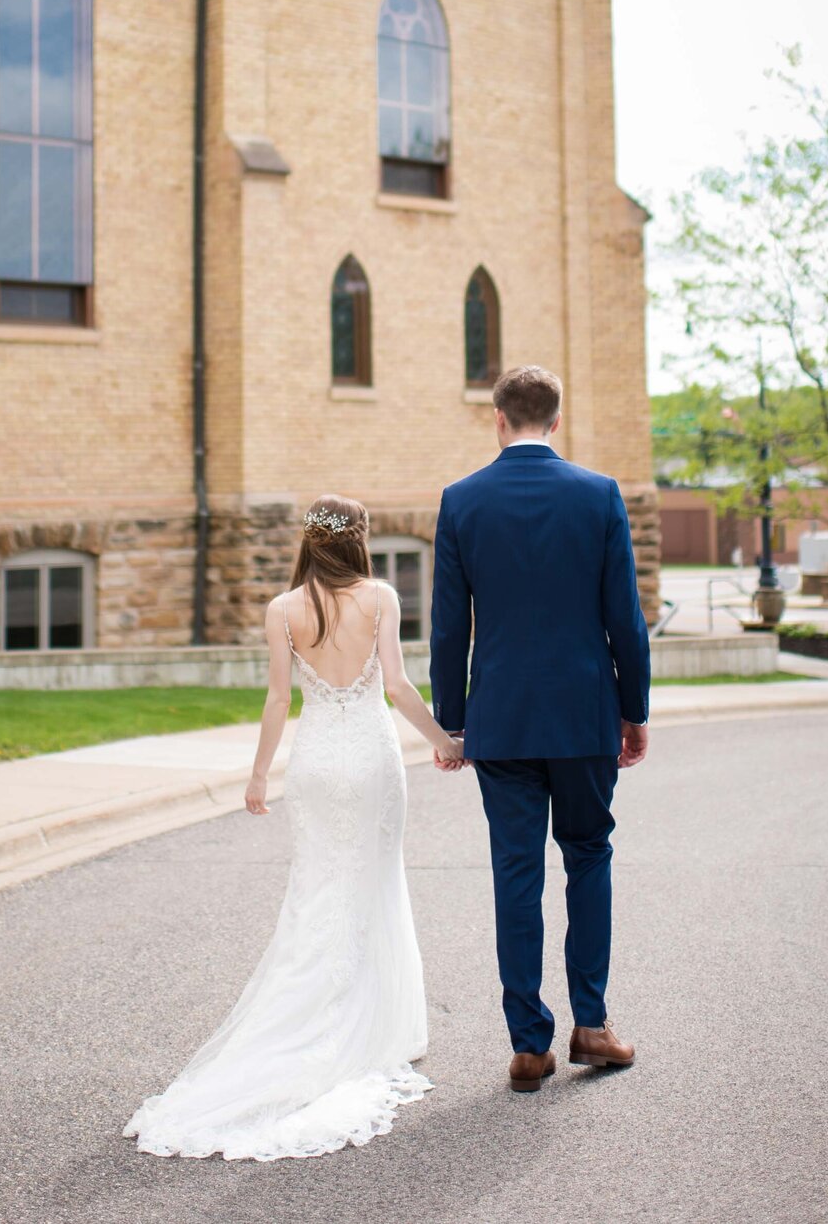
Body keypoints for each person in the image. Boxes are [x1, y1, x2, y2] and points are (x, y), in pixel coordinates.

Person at [124, 494, 464, 1160]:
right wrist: (444, 739)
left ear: (308, 541)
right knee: (373, 884)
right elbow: (396, 685)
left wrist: (259, 776)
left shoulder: (282, 610)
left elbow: (279, 698)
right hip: (370, 763)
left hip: (314, 767)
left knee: (316, 894)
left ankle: (322, 1020)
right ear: (358, 539)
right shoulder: (380, 597)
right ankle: (380, 1030)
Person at [430, 365, 651, 1093]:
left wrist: (453, 724)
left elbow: (446, 627)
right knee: (588, 856)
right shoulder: (598, 495)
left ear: (497, 419)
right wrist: (634, 709)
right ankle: (592, 1023)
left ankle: (529, 1044)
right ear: (557, 420)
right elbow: (626, 616)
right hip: (584, 715)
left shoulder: (461, 501)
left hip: (501, 719)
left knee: (516, 872)